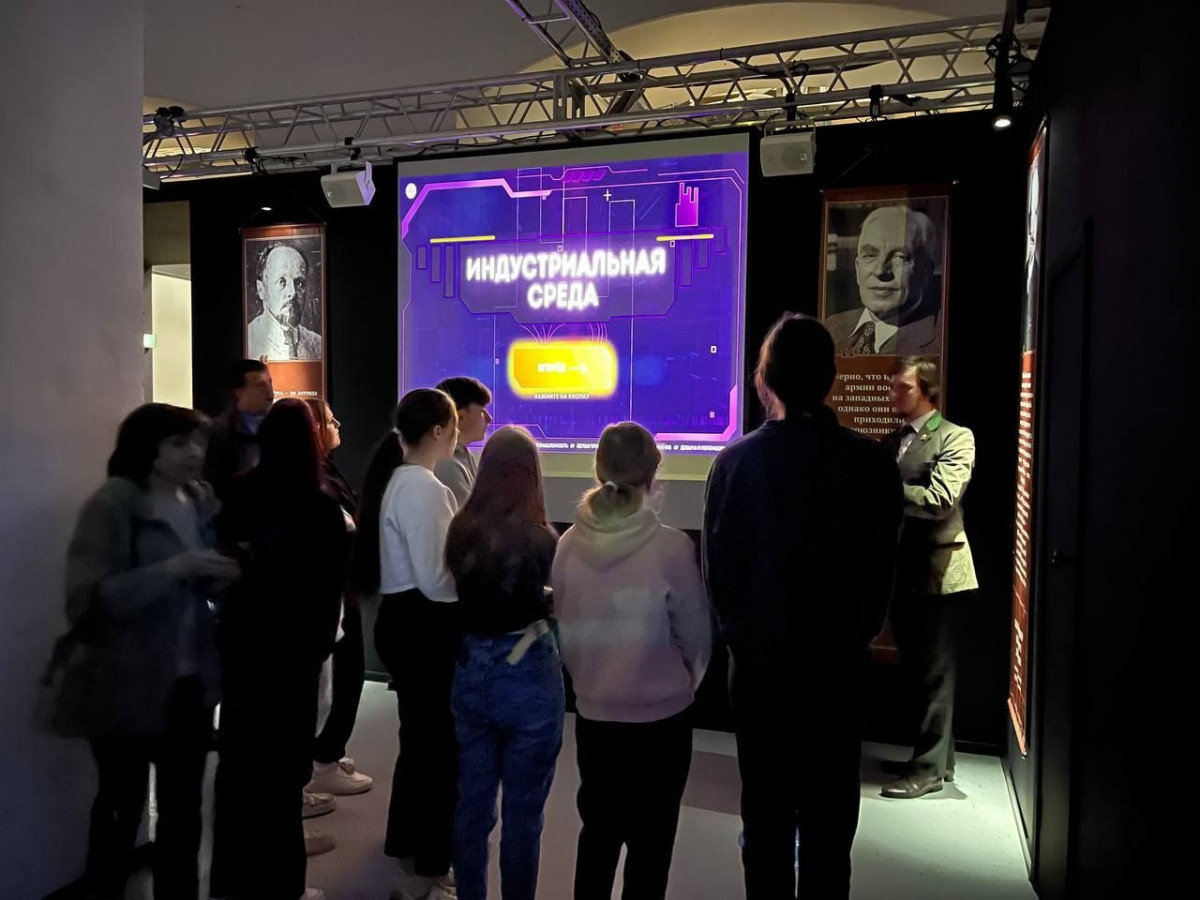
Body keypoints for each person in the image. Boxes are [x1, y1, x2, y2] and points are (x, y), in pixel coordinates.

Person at [703, 314, 904, 899]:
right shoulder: (871, 464)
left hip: (760, 677)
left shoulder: (735, 463)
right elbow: (881, 575)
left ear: (766, 379)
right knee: (829, 830)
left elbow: (721, 581)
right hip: (839, 674)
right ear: (831, 377)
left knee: (765, 824)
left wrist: (747, 642)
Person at [38, 404, 240, 899]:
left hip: (188, 685)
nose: (194, 453)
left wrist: (217, 575)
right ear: (147, 448)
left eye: (198, 442)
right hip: (124, 684)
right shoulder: (114, 504)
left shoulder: (197, 499)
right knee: (119, 810)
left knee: (183, 813)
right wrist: (175, 569)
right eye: (178, 443)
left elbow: (200, 584)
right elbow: (87, 601)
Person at [554, 422, 711, 900]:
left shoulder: (567, 544)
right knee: (652, 848)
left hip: (595, 719)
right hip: (661, 724)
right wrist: (677, 683)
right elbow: (696, 638)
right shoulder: (672, 547)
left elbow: (565, 629)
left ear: (598, 469)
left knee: (597, 839)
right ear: (652, 474)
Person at [214, 399, 350, 900]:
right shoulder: (321, 508)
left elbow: (224, 565)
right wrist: (317, 649)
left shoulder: (239, 493)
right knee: (283, 780)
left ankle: (232, 882)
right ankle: (283, 885)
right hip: (293, 660)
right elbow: (330, 592)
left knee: (238, 772)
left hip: (244, 652)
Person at [445, 426, 563, 900]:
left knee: (471, 807)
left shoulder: (461, 529)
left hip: (471, 671)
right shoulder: (542, 538)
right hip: (528, 674)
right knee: (524, 815)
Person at [352, 388, 461, 900]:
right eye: (454, 426)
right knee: (437, 751)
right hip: (424, 628)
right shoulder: (422, 487)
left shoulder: (399, 480)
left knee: (420, 744)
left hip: (405, 623)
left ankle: (409, 846)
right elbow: (437, 580)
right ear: (439, 431)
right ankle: (430, 865)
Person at [880, 358, 978, 800]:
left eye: (902, 387)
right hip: (904, 573)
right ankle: (940, 761)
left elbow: (940, 499)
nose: (892, 394)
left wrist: (883, 489)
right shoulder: (894, 440)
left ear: (927, 390)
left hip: (940, 576)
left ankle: (927, 771)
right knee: (920, 674)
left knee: (935, 676)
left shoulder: (956, 437)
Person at [303, 398, 374, 797]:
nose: (339, 424)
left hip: (342, 593)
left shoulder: (324, 471)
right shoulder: (312, 482)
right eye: (330, 420)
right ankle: (322, 762)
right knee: (342, 679)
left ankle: (326, 755)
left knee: (348, 676)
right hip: (332, 598)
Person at [824, 205, 942, 356]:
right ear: (858, 268)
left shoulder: (939, 341)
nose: (880, 271)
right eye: (870, 255)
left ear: (926, 272)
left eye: (899, 257)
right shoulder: (832, 326)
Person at [204, 359, 274, 501]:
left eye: (270, 383)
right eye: (260, 386)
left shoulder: (278, 426)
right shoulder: (218, 430)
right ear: (240, 392)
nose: (270, 393)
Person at [247, 243, 322, 361]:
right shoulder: (248, 341)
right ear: (261, 289)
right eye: (281, 281)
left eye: (299, 283)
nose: (292, 293)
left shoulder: (318, 345)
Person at [433, 376, 493, 507]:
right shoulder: (446, 465)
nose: (489, 418)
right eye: (482, 411)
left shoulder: (463, 455)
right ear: (460, 416)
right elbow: (470, 515)